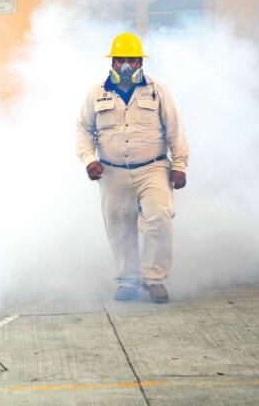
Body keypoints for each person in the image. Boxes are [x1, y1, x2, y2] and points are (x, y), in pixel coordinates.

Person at [75, 32, 188, 304]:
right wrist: (89, 159)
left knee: (159, 218)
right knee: (119, 224)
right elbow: (83, 129)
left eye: (132, 61)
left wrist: (180, 164)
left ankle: (154, 280)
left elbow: (175, 129)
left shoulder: (157, 91)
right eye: (121, 60)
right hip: (112, 173)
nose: (126, 66)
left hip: (153, 169)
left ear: (141, 62)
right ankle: (127, 281)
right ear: (112, 62)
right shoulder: (97, 93)